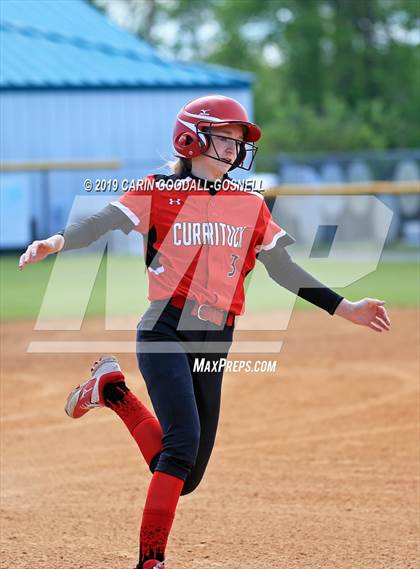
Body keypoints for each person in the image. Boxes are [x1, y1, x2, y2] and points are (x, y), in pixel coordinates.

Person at [19, 95, 391, 569]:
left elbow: (283, 268)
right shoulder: (158, 190)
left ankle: (113, 394)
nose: (236, 149)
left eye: (240, 141)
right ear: (191, 137)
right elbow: (103, 222)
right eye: (226, 137)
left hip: (216, 336)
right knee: (180, 447)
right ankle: (150, 560)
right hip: (164, 327)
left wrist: (346, 308)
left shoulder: (250, 203)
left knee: (185, 473)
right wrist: (56, 241)